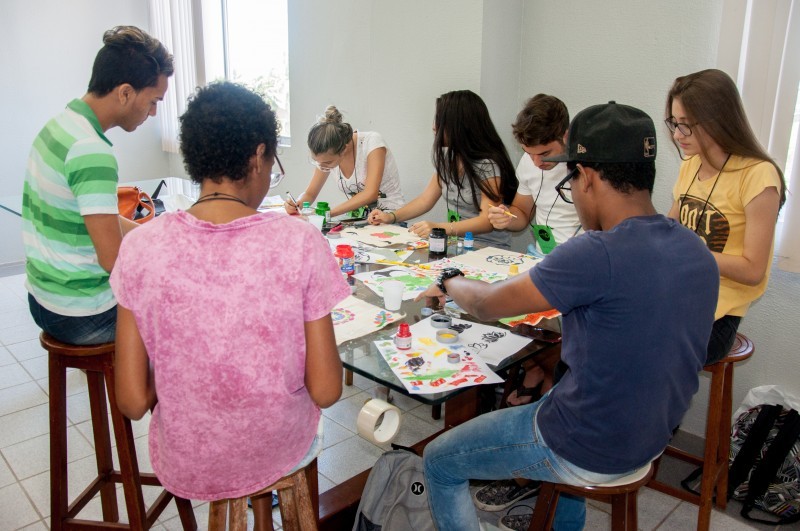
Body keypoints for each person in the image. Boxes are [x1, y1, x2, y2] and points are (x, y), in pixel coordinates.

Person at [416, 102, 719, 531]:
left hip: (585, 445)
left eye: (569, 182)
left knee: (439, 460)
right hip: (651, 437)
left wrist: (449, 281)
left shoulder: (595, 253)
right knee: (554, 390)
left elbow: (485, 304)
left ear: (587, 177)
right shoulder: (696, 250)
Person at [111, 82, 349, 530]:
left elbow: (132, 399)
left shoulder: (141, 247)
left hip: (190, 459)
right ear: (258, 157)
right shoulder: (299, 241)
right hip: (278, 447)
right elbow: (326, 390)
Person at [22, 26, 173, 345]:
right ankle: (142, 380)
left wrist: (156, 236)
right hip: (80, 313)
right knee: (181, 306)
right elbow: (112, 259)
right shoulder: (91, 151)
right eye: (153, 101)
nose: (154, 112)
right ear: (125, 93)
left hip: (42, 298)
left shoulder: (60, 126)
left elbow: (99, 218)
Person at [665, 68, 785, 365]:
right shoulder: (691, 164)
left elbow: (753, 269)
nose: (677, 135)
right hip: (679, 294)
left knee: (644, 349)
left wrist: (692, 254)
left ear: (717, 120)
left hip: (719, 314)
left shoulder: (759, 176)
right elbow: (669, 228)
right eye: (674, 123)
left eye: (685, 125)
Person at [368, 90, 518, 248]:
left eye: (440, 120)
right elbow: (425, 200)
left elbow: (486, 221)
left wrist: (441, 228)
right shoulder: (448, 159)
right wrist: (390, 217)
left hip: (486, 247)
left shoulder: (487, 165)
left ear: (458, 125)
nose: (434, 127)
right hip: (456, 243)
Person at [488, 94, 582, 257]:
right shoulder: (527, 162)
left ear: (566, 136)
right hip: (540, 256)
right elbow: (522, 213)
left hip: (578, 259)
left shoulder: (587, 167)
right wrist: (506, 218)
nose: (537, 162)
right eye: (529, 153)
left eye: (545, 153)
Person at [284, 105, 405, 218]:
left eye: (328, 163)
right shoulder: (326, 156)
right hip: (359, 220)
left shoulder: (372, 143)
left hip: (390, 217)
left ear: (344, 149)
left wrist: (328, 214)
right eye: (317, 161)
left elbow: (370, 193)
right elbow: (310, 193)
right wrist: (297, 204)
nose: (322, 166)